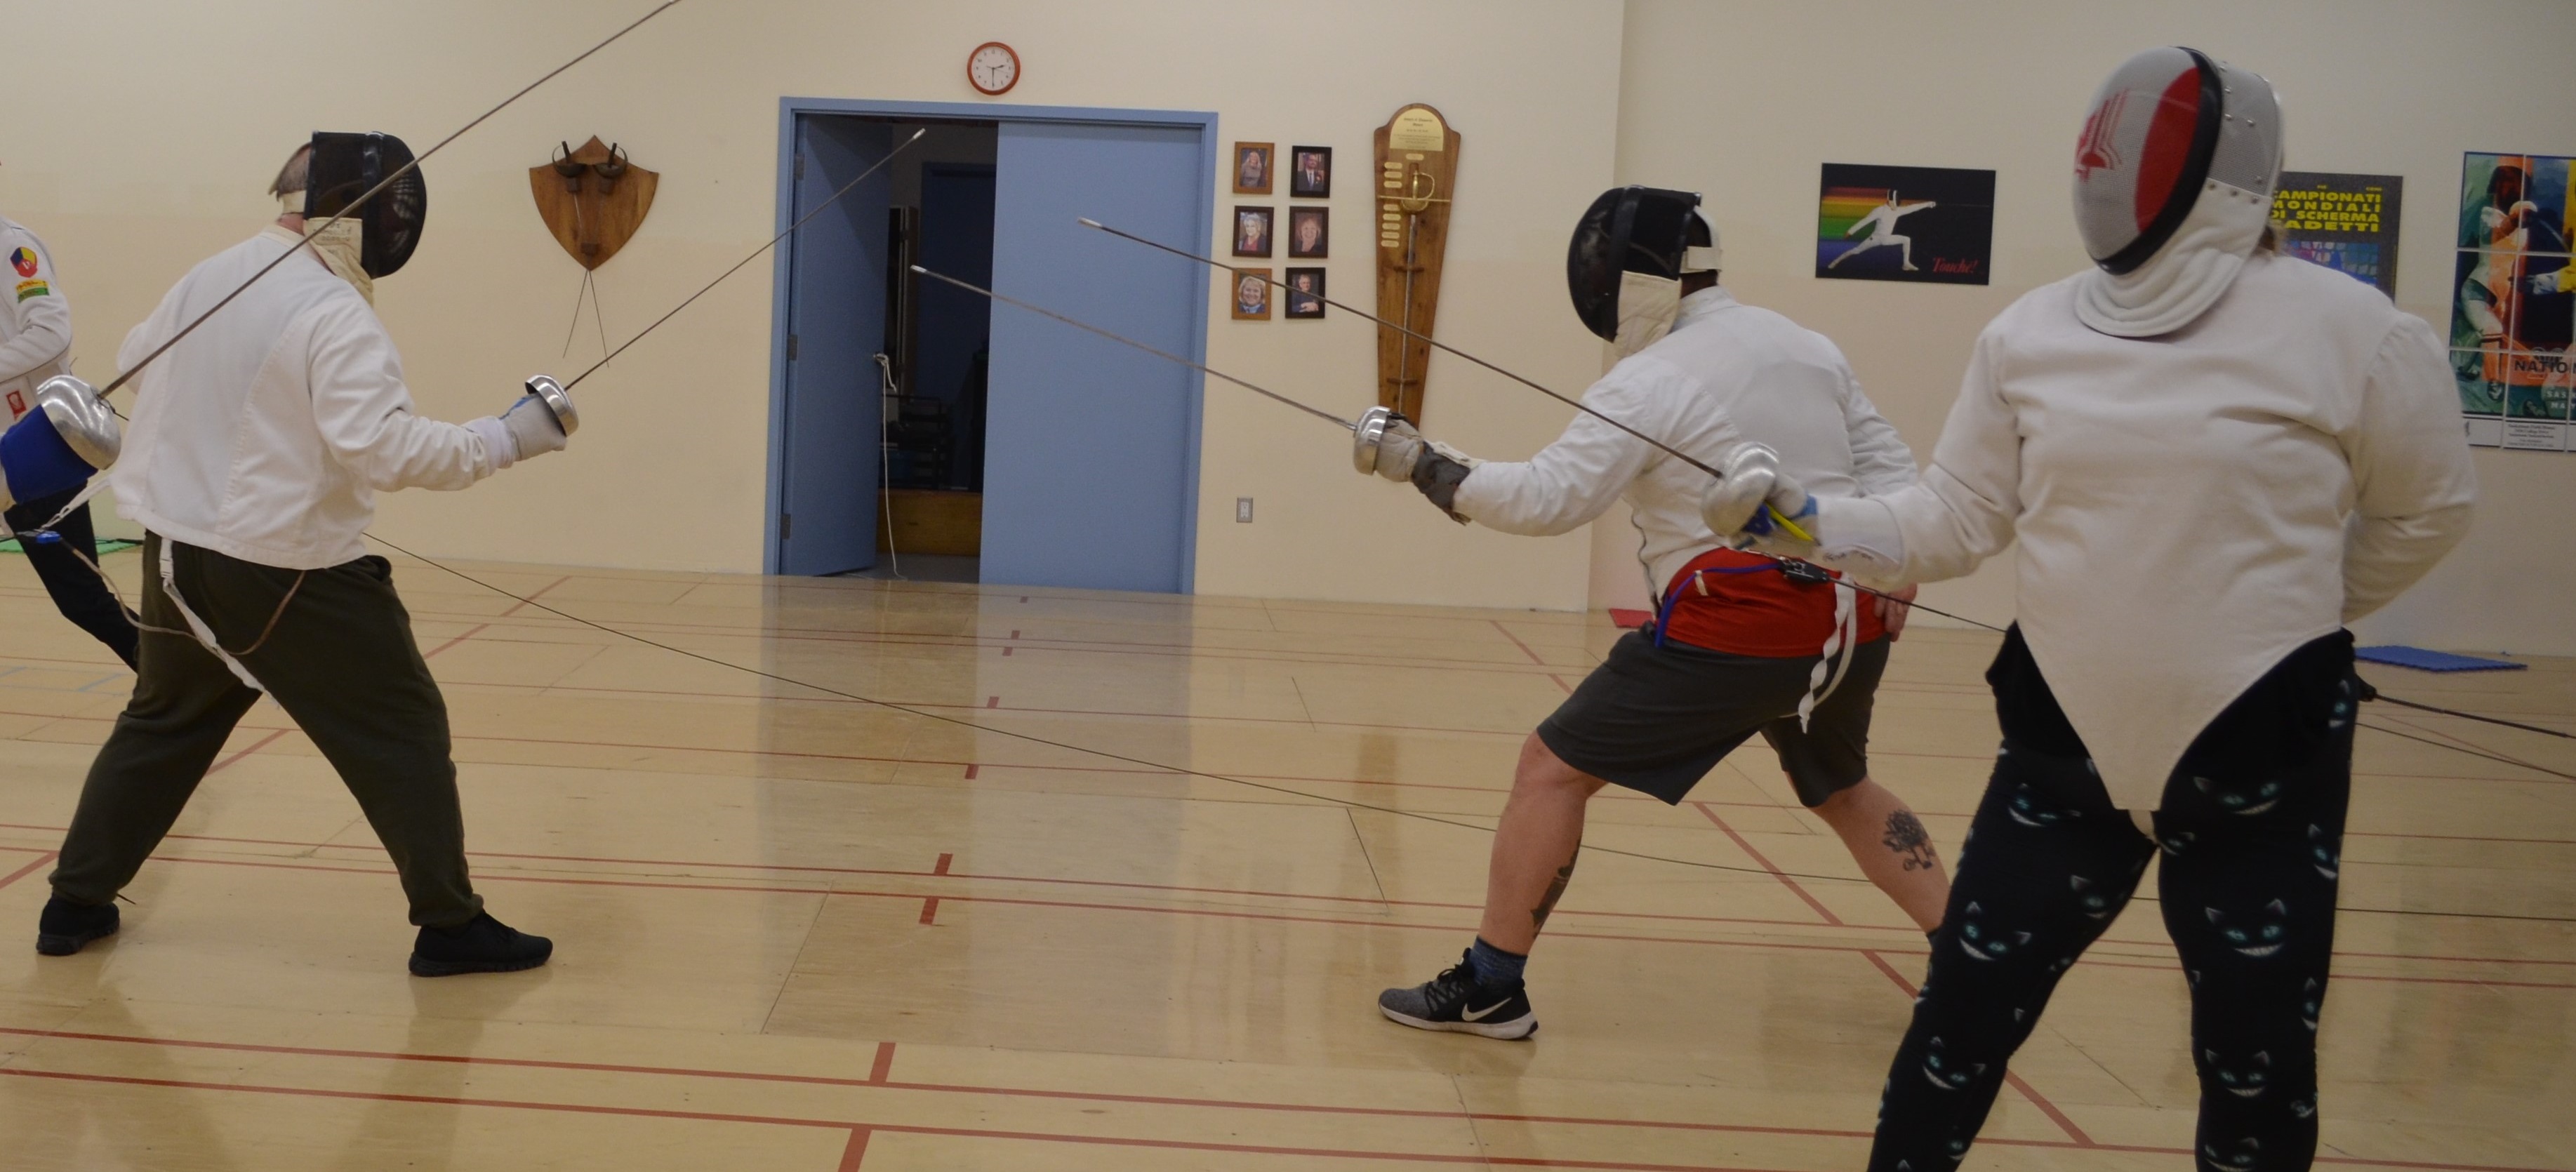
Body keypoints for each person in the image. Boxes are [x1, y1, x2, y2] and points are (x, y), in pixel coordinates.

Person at [1704, 48, 2474, 1171]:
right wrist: (1799, 521)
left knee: (2255, 1061)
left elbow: (2428, 512)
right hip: (2059, 758)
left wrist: (2283, 616)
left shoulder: (2356, 333)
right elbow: (1954, 522)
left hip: (2258, 760)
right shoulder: (2031, 333)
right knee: (1957, 1020)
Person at [1363, 187, 1949, 1041]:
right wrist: (1907, 573)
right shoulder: (1806, 344)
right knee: (1840, 782)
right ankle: (1971, 959)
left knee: (1550, 769)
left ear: (1626, 277)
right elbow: (1898, 477)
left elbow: (1544, 499)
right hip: (1851, 617)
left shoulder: (1647, 380)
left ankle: (1492, 986)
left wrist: (1421, 463)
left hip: (1739, 622)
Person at [34, 133, 580, 977]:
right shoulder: (333, 312)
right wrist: (508, 436)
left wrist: (234, 422)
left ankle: (72, 903)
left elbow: (135, 359)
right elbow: (387, 451)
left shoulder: (216, 271)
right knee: (401, 724)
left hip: (173, 552)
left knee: (166, 719)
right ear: (367, 219)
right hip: (284, 567)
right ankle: (450, 923)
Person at [1, 208, 140, 667]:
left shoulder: (13, 247)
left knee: (81, 598)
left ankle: (177, 676)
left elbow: (51, 333)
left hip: (33, 448)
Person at [1828, 191, 1937, 271]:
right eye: (1895, 201)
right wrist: (1850, 231)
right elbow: (1865, 221)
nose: (1897, 203)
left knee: (1906, 239)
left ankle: (1906, 264)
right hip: (1875, 239)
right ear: (1890, 201)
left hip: (1887, 239)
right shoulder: (1879, 210)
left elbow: (1913, 208)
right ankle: (1834, 262)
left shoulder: (1897, 211)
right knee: (1856, 251)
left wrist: (1928, 204)